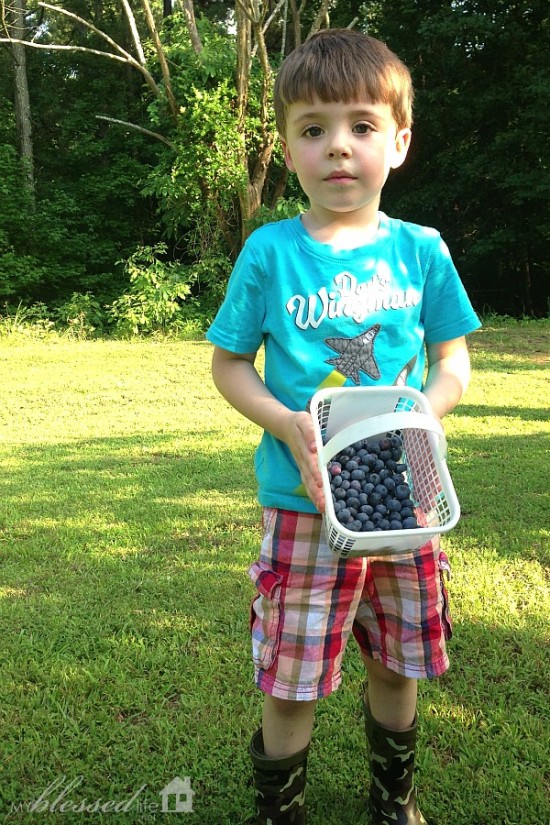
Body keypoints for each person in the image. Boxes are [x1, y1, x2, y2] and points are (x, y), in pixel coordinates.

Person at [206, 28, 480, 825]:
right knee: (291, 669)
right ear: (288, 146)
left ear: (398, 141)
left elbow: (451, 362)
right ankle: (278, 808)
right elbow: (230, 365)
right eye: (313, 129)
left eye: (361, 126)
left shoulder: (422, 252)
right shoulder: (269, 253)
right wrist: (288, 425)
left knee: (399, 661)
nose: (337, 148)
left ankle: (393, 800)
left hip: (404, 500)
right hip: (301, 503)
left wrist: (424, 411)